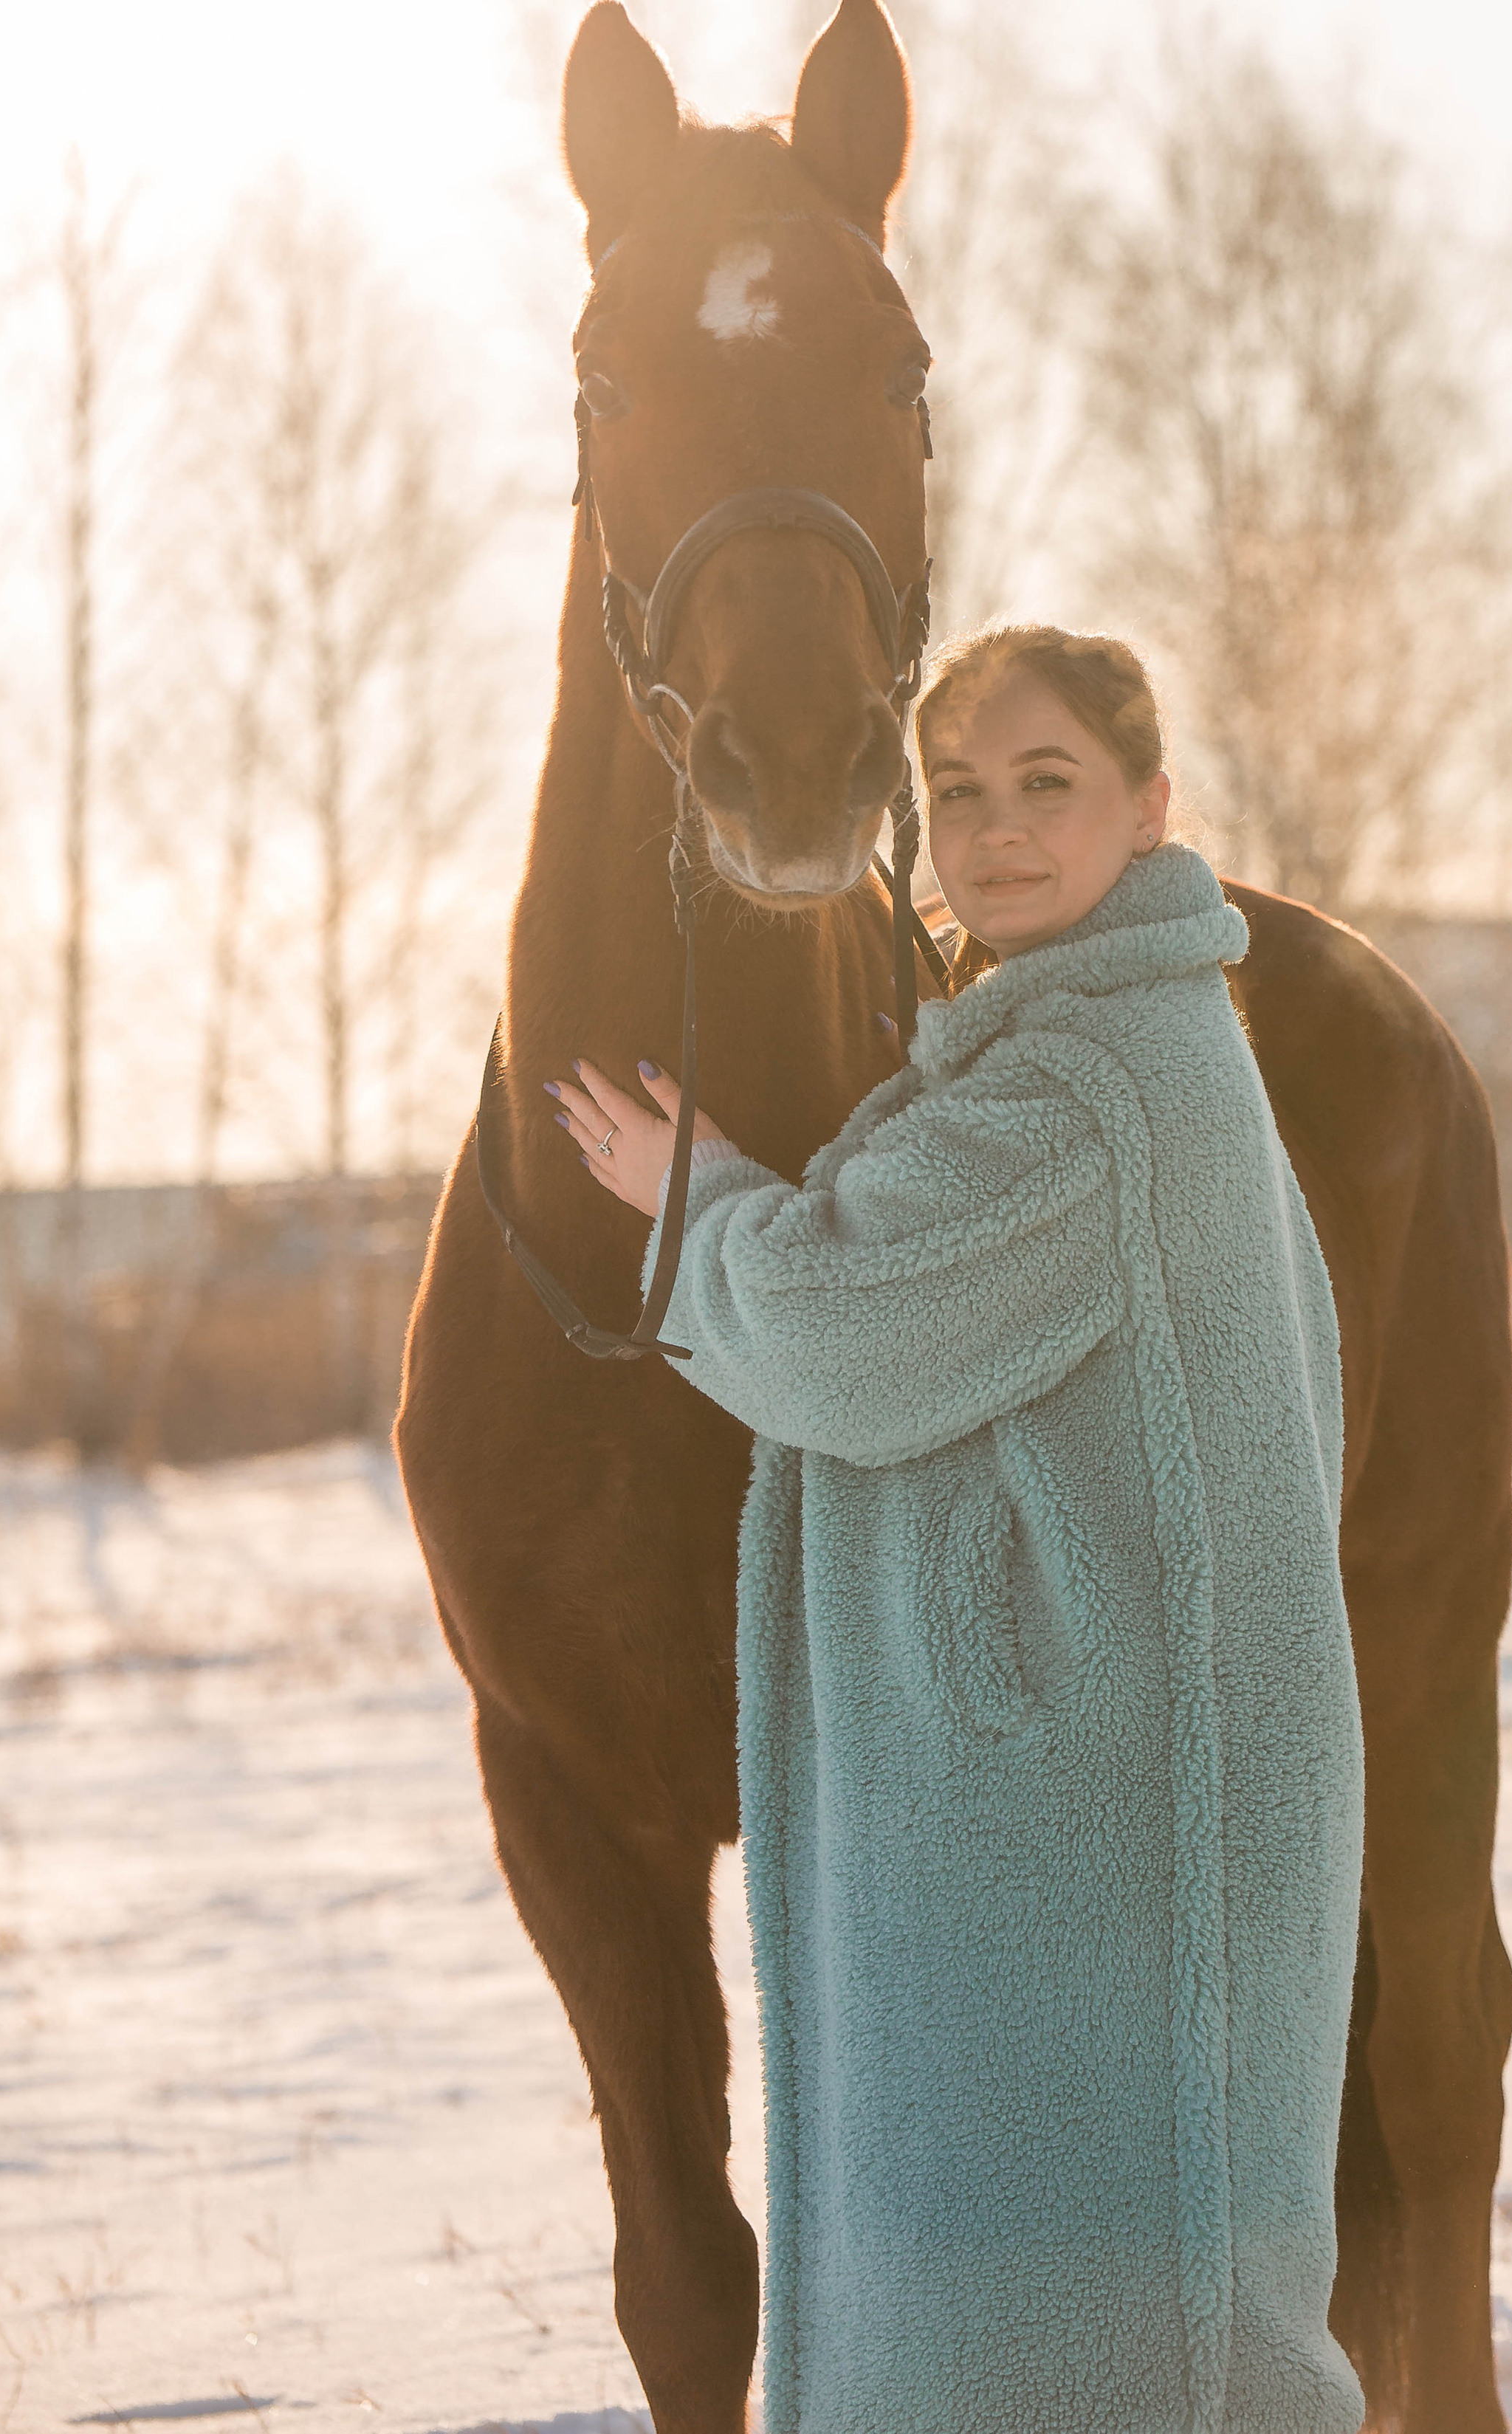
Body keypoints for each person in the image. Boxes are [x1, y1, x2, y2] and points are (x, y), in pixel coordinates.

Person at [546, 625, 1365, 2434]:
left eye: (1046, 784)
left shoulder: (1087, 1086)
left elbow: (844, 1335)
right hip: (1100, 1804)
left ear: (1151, 807)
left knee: (1089, 2341)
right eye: (960, 793)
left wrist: (698, 1211)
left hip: (1100, 1826)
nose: (993, 832)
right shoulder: (1090, 1043)